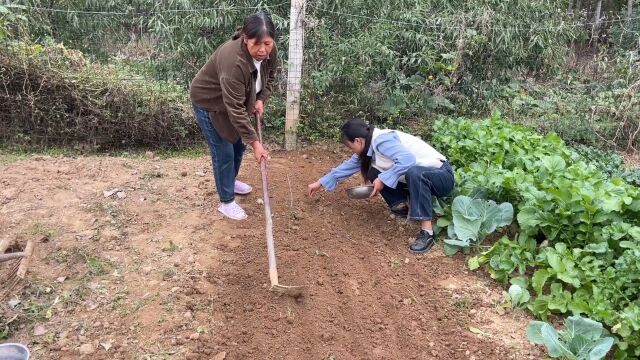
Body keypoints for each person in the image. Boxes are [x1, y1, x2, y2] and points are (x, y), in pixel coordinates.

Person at [308, 119, 455, 254]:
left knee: (414, 172)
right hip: (419, 178)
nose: (351, 151)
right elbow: (347, 166)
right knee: (373, 171)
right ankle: (405, 205)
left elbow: (407, 160)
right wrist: (320, 182)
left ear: (358, 141)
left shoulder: (382, 140)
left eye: (350, 147)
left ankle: (427, 233)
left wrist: (383, 180)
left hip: (441, 176)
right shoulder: (369, 148)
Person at [190, 12, 278, 220]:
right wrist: (256, 143)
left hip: (234, 103)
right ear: (246, 38)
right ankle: (226, 201)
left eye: (268, 43)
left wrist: (261, 98)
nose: (263, 50)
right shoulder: (234, 61)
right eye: (257, 44)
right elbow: (235, 109)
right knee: (224, 152)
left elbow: (272, 75)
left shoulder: (268, 52)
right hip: (210, 103)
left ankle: (229, 180)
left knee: (238, 145)